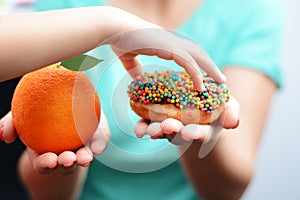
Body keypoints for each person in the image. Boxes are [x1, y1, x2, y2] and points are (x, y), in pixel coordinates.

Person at [1, 0, 282, 199]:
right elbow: (42, 189)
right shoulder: (65, 5)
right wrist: (68, 155)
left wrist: (198, 140)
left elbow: (228, 190)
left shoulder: (251, 8)